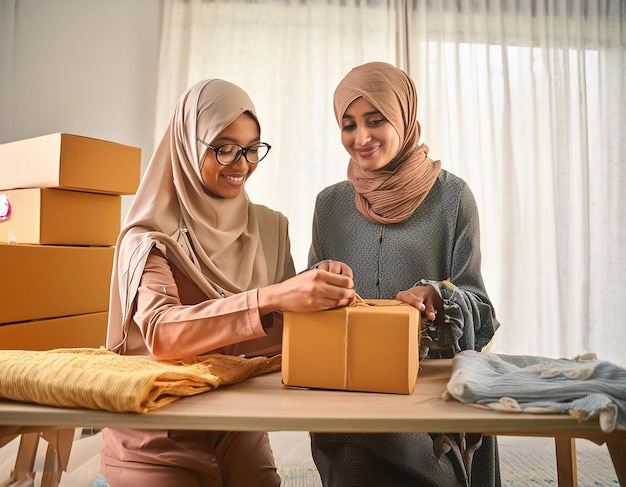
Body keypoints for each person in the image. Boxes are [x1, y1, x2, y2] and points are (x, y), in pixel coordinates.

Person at [100, 79, 355, 487]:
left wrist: (319, 291)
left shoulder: (271, 228)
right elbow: (163, 333)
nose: (243, 163)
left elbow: (282, 337)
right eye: (224, 147)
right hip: (155, 432)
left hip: (238, 423)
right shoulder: (149, 239)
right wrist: (274, 297)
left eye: (253, 148)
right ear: (187, 145)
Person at [308, 62, 501, 487]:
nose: (361, 137)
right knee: (350, 437)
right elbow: (306, 298)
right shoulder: (330, 205)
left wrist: (438, 295)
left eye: (376, 120)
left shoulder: (452, 197)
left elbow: (480, 308)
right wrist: (319, 279)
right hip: (349, 385)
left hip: (427, 393)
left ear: (405, 116)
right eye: (348, 124)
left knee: (365, 444)